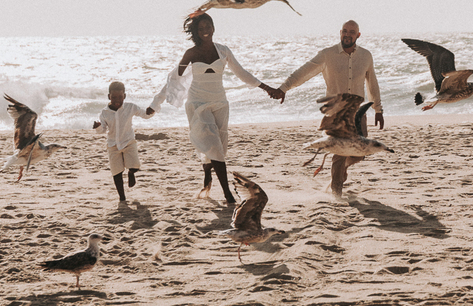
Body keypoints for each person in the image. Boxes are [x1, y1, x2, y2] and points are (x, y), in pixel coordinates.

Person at [148, 12, 282, 203]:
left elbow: (242, 73)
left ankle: (207, 173)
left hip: (220, 103)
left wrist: (267, 88)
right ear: (196, 31)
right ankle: (227, 194)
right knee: (214, 147)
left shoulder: (223, 51)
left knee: (219, 147)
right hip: (198, 104)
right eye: (201, 28)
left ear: (213, 28)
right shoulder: (191, 54)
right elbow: (173, 81)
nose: (205, 31)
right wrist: (155, 104)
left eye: (208, 27)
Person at [278, 20, 384, 196]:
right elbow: (304, 72)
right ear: (340, 32)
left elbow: (372, 83)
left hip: (358, 113)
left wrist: (378, 110)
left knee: (360, 152)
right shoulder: (327, 55)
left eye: (352, 32)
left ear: (358, 35)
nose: (347, 34)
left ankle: (342, 170)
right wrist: (283, 88)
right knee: (340, 152)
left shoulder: (366, 56)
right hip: (336, 114)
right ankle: (336, 194)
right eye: (345, 31)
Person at [92, 80, 153, 203]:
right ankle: (122, 197)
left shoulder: (131, 107)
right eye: (114, 97)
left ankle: (131, 173)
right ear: (109, 96)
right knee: (116, 172)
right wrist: (98, 127)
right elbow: (102, 130)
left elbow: (144, 114)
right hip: (113, 145)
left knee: (135, 166)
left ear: (124, 96)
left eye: (120, 97)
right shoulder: (104, 113)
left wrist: (150, 111)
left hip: (129, 141)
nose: (117, 100)